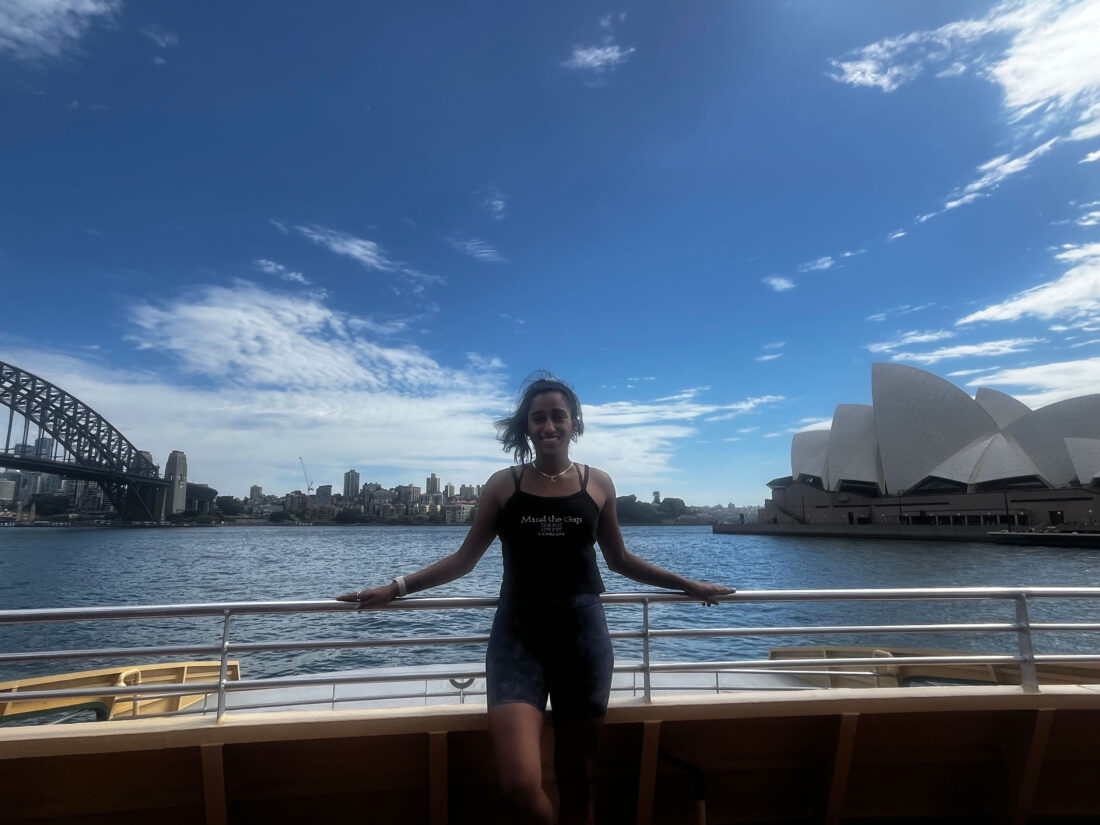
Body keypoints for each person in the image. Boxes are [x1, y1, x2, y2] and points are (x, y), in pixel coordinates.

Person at [336, 376, 734, 825]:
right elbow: (465, 559)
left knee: (577, 780)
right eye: (538, 417)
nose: (548, 425)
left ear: (575, 423)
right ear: (526, 427)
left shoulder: (598, 483)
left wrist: (688, 585)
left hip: (583, 638)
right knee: (519, 784)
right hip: (517, 638)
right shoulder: (503, 485)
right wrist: (397, 587)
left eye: (557, 416)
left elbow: (620, 560)